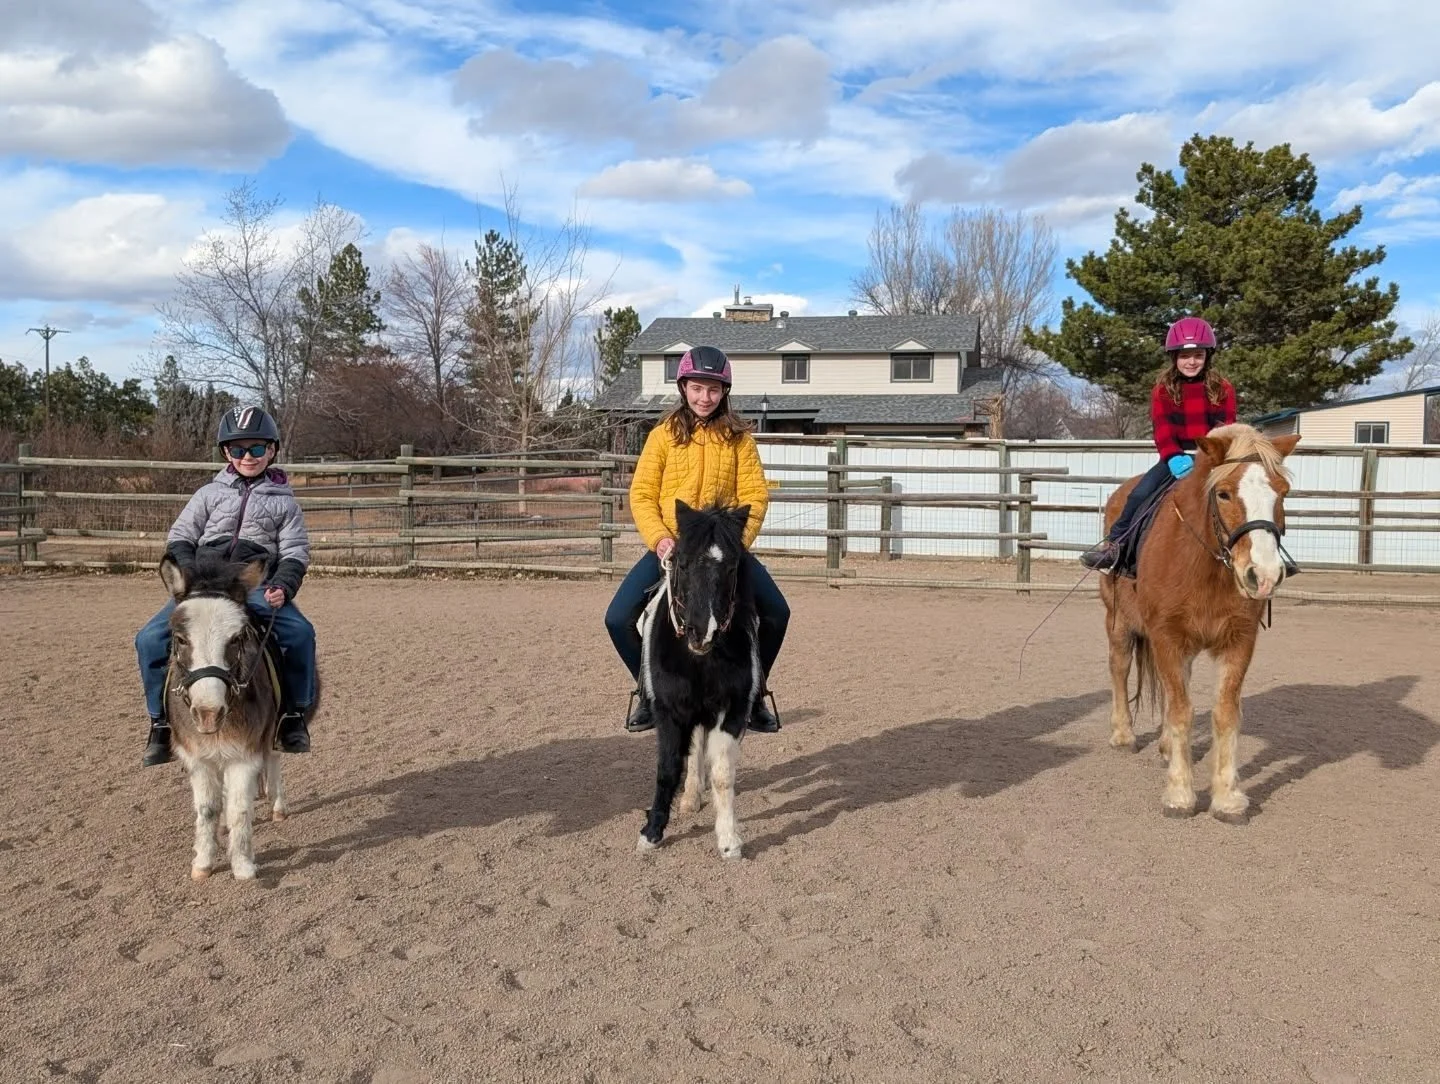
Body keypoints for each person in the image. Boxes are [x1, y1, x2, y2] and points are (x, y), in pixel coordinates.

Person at [604, 345, 789, 734]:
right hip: (675, 548)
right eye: (698, 388)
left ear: (725, 393)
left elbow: (755, 496)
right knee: (618, 618)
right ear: (684, 386)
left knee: (777, 613)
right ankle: (649, 692)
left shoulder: (740, 441)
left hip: (724, 551)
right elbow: (641, 494)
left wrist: (736, 546)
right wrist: (659, 540)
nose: (705, 398)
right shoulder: (662, 437)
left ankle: (753, 695)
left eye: (714, 390)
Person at [134, 406, 317, 765]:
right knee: (150, 639)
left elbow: (295, 551)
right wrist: (188, 577)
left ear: (272, 450)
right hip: (203, 583)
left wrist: (283, 584)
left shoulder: (286, 503)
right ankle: (159, 723)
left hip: (253, 583)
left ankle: (293, 717)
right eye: (237, 450)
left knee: (300, 634)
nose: (247, 457)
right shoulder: (207, 494)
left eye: (256, 449)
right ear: (225, 454)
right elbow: (181, 536)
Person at [1081, 316, 1236, 572]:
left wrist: (1209, 455)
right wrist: (1174, 456)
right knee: (1139, 494)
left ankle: (1264, 551)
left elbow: (1226, 427)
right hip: (1176, 458)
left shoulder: (1223, 388)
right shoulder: (1163, 390)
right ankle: (1115, 545)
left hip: (1212, 456)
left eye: (1198, 355)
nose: (1192, 362)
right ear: (1174, 357)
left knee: (1248, 494)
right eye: (1185, 356)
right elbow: (1162, 429)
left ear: (1208, 355)